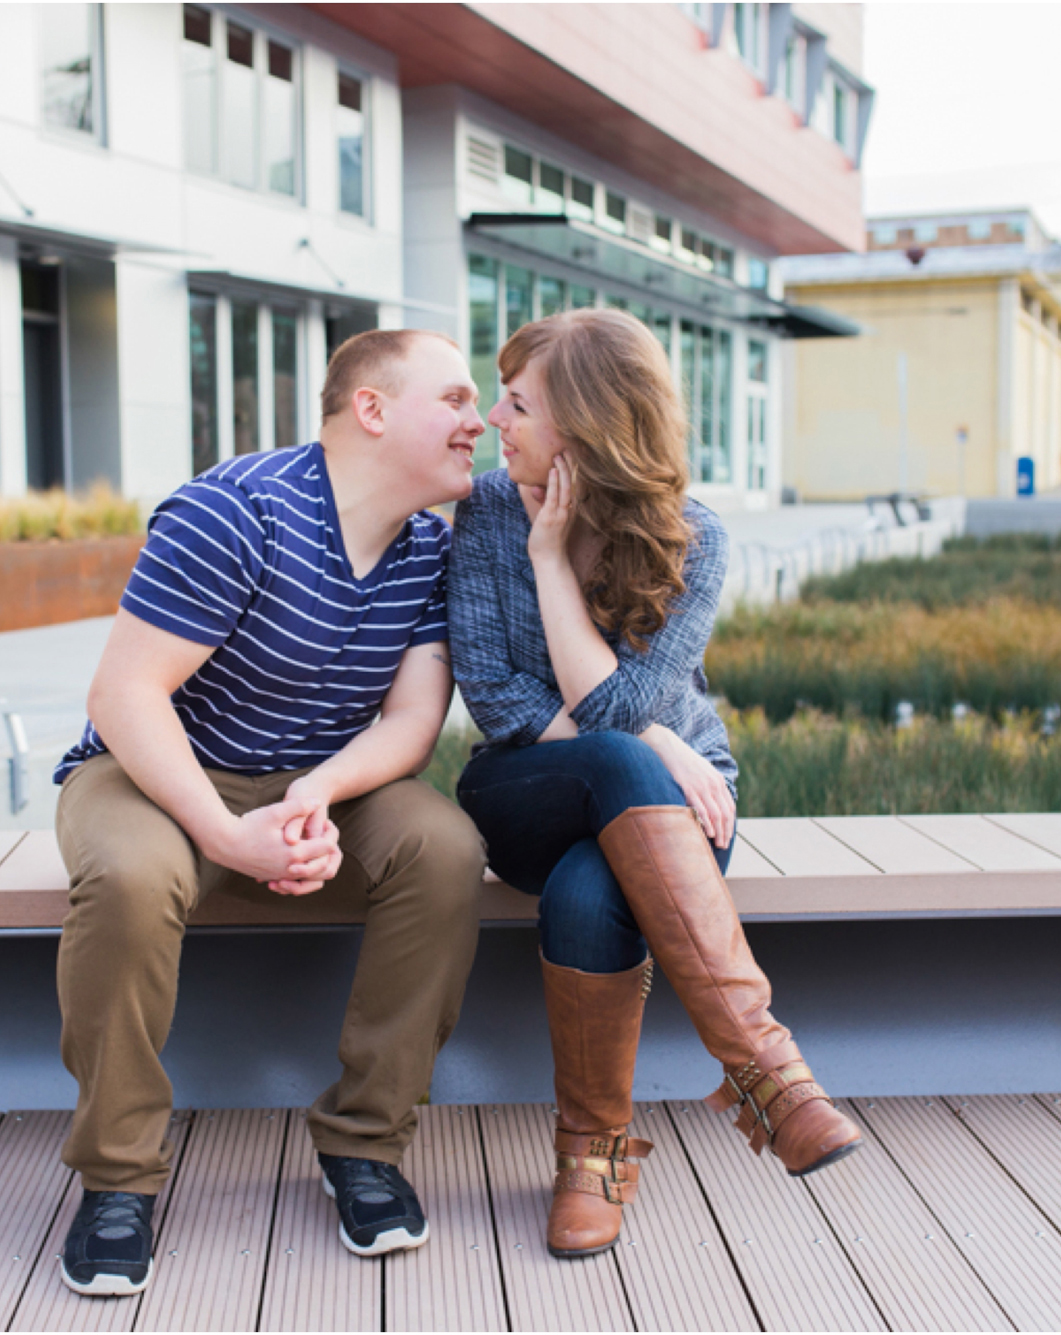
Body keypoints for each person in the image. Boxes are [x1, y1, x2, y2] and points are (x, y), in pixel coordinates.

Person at [50, 329, 490, 1296]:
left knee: (446, 849)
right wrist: (223, 833)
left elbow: (414, 720)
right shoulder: (237, 511)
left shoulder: (427, 544)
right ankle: (118, 1176)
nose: (481, 420)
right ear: (370, 409)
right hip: (158, 772)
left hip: (319, 777)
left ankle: (365, 1145)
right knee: (130, 878)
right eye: (456, 399)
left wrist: (313, 796)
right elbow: (124, 697)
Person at [448, 309, 862, 1260]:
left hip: (665, 813)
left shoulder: (693, 539)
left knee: (591, 891)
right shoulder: (486, 512)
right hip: (527, 789)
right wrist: (657, 747)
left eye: (518, 403)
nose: (495, 423)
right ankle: (769, 1072)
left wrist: (555, 567)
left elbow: (621, 702)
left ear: (586, 422)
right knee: (629, 755)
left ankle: (591, 1158)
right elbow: (498, 699)